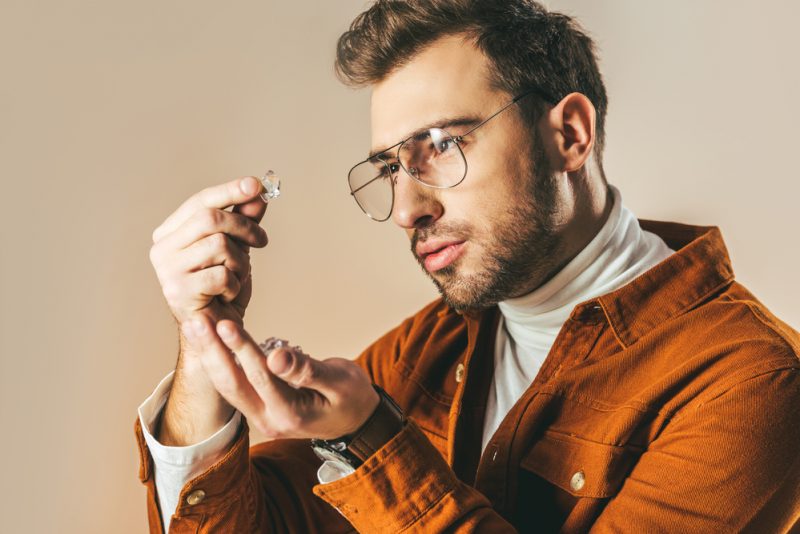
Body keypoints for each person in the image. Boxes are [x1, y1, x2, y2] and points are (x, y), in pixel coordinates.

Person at [135, 1, 800, 532]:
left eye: (442, 146)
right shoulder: (426, 349)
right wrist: (202, 335)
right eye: (391, 168)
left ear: (569, 134)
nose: (406, 209)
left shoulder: (751, 384)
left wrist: (369, 441)